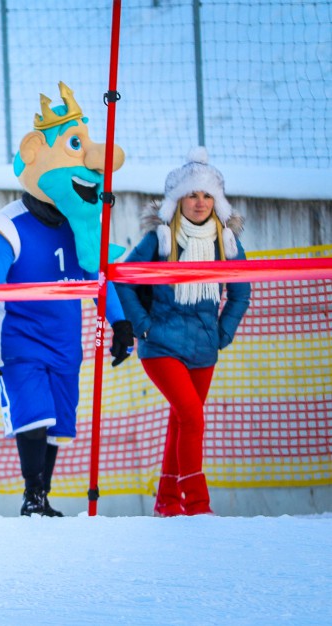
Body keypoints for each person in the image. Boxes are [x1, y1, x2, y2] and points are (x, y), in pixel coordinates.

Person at [0, 82, 134, 517]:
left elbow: (98, 276)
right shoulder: (8, 226)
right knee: (33, 415)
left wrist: (120, 323)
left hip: (66, 343)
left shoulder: (79, 229)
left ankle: (44, 495)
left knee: (58, 421)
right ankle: (33, 494)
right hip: (19, 341)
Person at [115, 147, 250, 516]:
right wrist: (143, 327)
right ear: (178, 200)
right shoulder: (160, 240)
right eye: (192, 194)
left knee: (181, 422)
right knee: (192, 418)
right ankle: (198, 504)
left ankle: (167, 503)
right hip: (161, 346)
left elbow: (241, 291)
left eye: (207, 195)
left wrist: (223, 333)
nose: (200, 202)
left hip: (205, 348)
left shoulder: (226, 242)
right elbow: (122, 280)